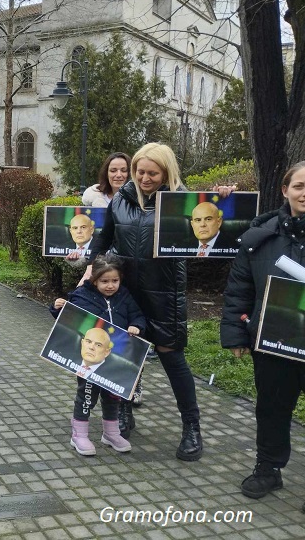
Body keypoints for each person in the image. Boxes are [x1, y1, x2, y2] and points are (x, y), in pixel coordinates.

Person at [83, 142, 233, 460]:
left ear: (167, 173)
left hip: (165, 295)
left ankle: (192, 428)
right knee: (125, 356)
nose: (145, 178)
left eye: (153, 173)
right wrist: (90, 265)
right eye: (140, 171)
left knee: (173, 362)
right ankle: (122, 412)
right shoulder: (121, 200)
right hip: (126, 294)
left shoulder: (182, 202)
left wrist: (223, 199)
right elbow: (103, 238)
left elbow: (211, 232)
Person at [221, 161, 305, 507]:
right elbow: (239, 288)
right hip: (274, 343)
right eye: (299, 186)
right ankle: (268, 468)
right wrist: (236, 333)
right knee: (272, 407)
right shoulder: (259, 236)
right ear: (285, 190)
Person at [52, 254, 146, 455]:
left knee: (113, 397)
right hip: (89, 361)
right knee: (86, 396)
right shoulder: (81, 296)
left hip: (114, 359)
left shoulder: (125, 297)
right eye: (104, 281)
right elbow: (68, 319)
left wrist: (136, 326)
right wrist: (57, 308)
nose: (110, 285)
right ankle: (79, 435)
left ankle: (110, 432)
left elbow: (137, 315)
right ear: (94, 280)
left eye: (115, 281)